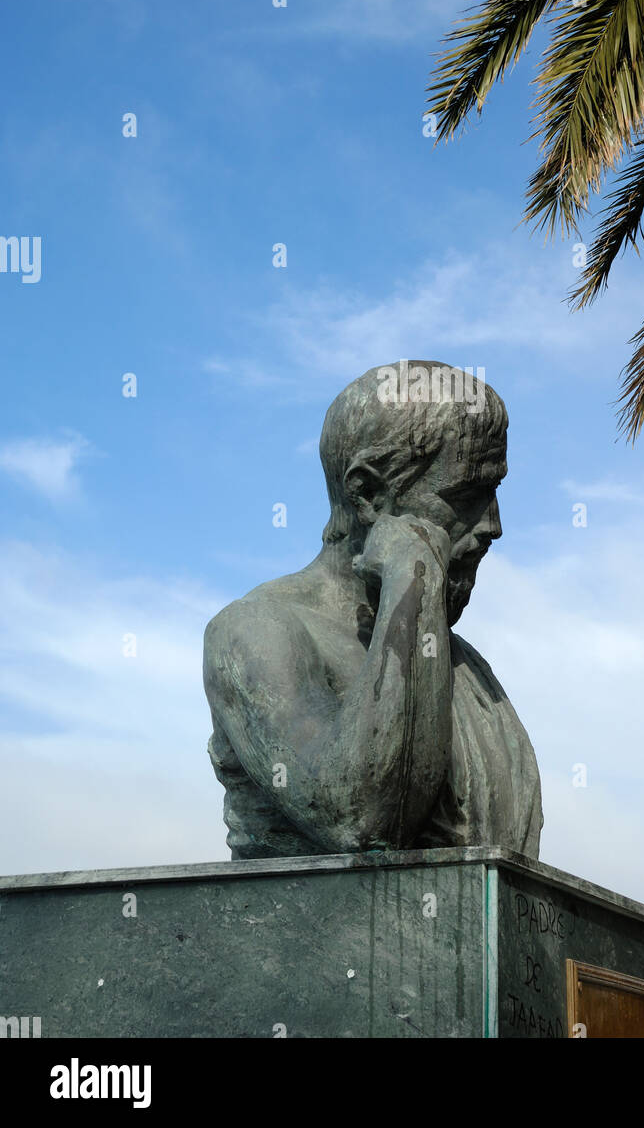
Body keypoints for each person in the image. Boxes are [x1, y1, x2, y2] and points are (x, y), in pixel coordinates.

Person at [204, 361, 542, 860]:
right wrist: (413, 568)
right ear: (368, 495)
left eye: (495, 493)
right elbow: (360, 822)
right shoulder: (256, 632)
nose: (493, 524)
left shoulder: (467, 669)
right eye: (468, 496)